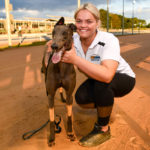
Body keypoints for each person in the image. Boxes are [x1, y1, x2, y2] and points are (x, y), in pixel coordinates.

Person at [47, 3, 136, 147]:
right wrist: (53, 46)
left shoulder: (109, 40)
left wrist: (75, 59)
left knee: (103, 84)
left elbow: (107, 75)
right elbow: (57, 42)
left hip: (123, 78)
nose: (83, 25)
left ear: (97, 23)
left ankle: (103, 129)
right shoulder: (73, 39)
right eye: (79, 21)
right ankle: (106, 105)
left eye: (89, 21)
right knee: (81, 98)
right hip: (98, 77)